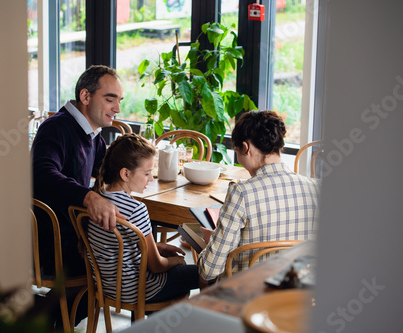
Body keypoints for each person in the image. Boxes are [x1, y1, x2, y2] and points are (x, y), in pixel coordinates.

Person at [31, 65, 126, 328]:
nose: (117, 108)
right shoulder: (56, 128)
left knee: (123, 256)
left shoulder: (92, 135)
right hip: (47, 242)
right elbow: (41, 173)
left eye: (119, 100)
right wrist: (89, 197)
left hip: (69, 234)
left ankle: (43, 316)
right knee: (112, 268)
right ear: (85, 97)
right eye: (110, 99)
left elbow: (106, 173)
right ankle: (43, 317)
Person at [198, 110, 320, 282]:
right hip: (297, 298)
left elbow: (208, 270)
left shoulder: (241, 193)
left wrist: (212, 244)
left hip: (246, 300)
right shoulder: (317, 188)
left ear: (245, 148)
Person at [89, 133, 200, 305]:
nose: (151, 178)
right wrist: (175, 261)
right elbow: (156, 266)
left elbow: (118, 247)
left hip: (109, 287)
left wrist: (155, 247)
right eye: (147, 173)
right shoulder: (136, 209)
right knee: (208, 272)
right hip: (139, 290)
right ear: (125, 174)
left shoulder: (97, 200)